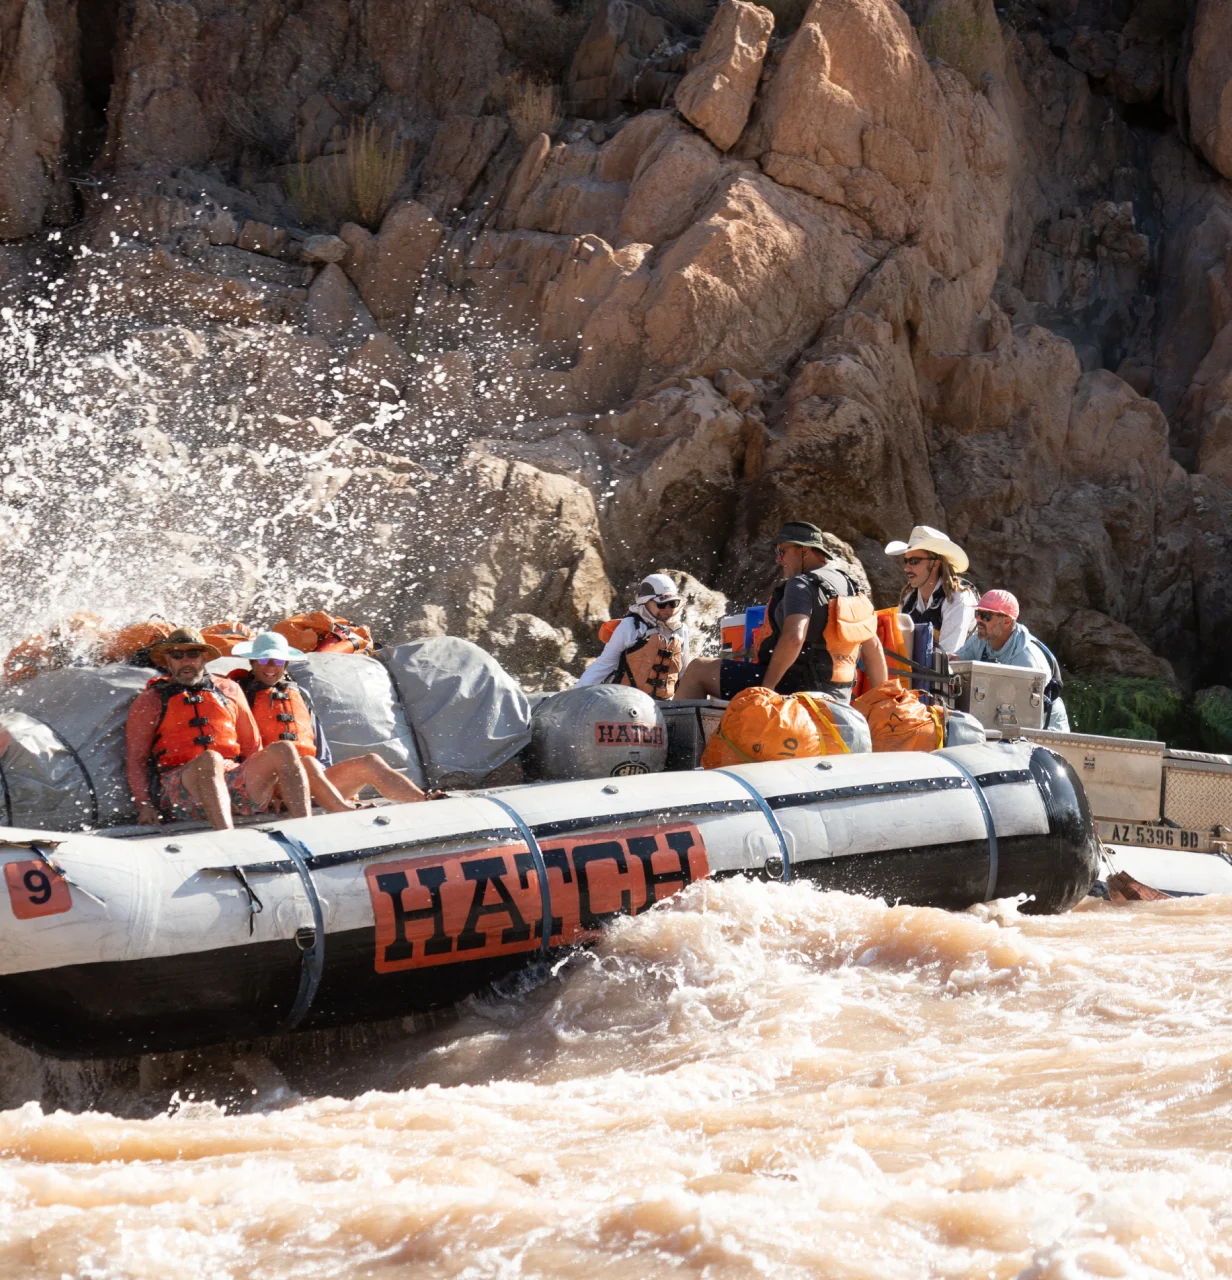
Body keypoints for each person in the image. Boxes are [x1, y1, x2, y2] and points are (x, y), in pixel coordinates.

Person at [675, 521, 887, 702]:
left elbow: (794, 637)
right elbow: (873, 647)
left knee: (697, 669)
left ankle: (677, 746)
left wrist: (765, 690)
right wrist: (882, 700)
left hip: (795, 686)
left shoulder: (801, 584)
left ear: (804, 550)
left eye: (781, 551)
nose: (778, 559)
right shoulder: (850, 585)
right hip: (837, 693)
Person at [125, 627, 312, 831]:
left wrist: (272, 788)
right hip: (183, 790)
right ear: (168, 661)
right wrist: (144, 805)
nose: (185, 661)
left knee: (284, 749)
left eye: (193, 654)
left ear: (204, 657)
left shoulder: (229, 689)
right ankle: (226, 836)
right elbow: (136, 760)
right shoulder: (150, 700)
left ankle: (306, 830)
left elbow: (252, 747)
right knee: (210, 759)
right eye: (177, 655)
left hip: (233, 782)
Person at [230, 631, 428, 808]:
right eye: (265, 661)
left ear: (286, 664)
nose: (272, 667)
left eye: (279, 661)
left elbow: (320, 745)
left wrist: (330, 780)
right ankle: (341, 809)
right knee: (307, 763)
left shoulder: (299, 693)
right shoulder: (240, 693)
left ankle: (425, 800)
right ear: (252, 662)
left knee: (370, 762)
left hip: (311, 778)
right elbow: (240, 750)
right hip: (269, 785)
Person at [953, 590, 1070, 731]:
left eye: (986, 616)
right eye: (977, 613)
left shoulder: (1028, 660)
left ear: (1007, 621)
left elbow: (1029, 715)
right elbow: (955, 663)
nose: (978, 620)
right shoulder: (980, 639)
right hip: (1003, 717)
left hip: (1046, 729)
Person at [575, 573, 691, 700]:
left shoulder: (681, 631)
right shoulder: (630, 626)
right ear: (645, 602)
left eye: (673, 603)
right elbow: (604, 664)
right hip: (624, 700)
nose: (668, 609)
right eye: (661, 604)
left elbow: (684, 673)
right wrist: (575, 695)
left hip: (662, 704)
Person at [884, 525, 978, 654]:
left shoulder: (958, 599)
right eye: (906, 561)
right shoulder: (908, 602)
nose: (906, 568)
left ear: (935, 564)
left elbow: (948, 655)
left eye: (914, 561)